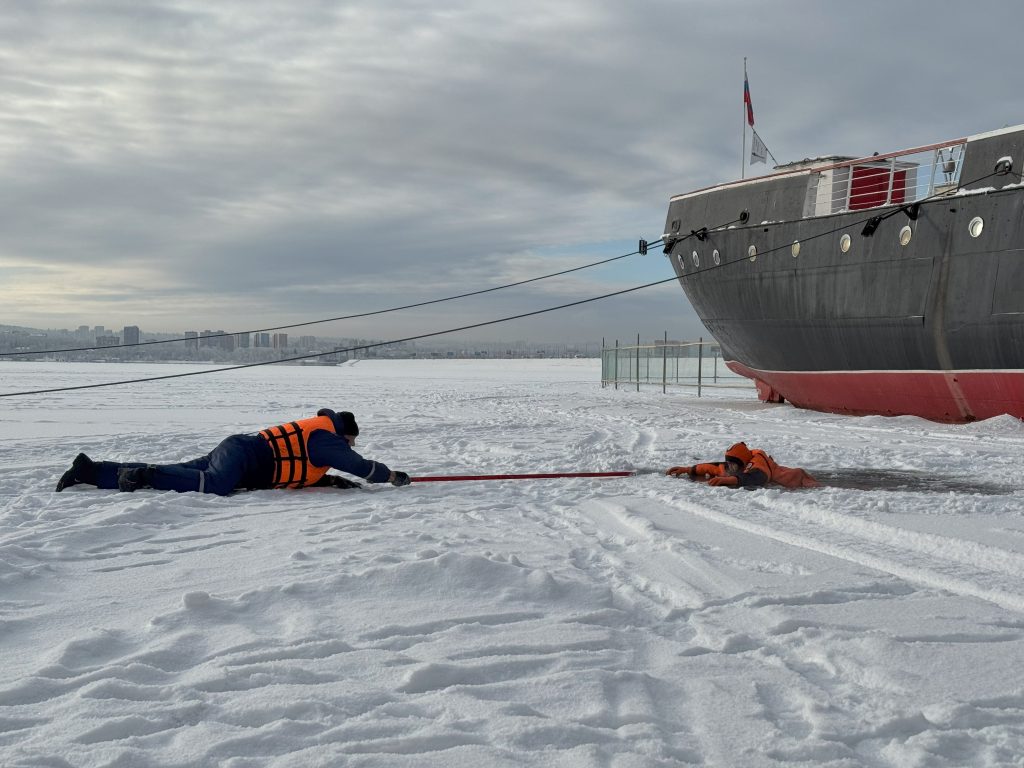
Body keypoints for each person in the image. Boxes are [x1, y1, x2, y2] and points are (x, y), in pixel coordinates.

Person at [55, 409, 411, 495]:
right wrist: (390, 476)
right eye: (351, 441)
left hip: (237, 450)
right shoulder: (327, 437)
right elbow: (357, 465)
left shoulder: (320, 439)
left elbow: (304, 468)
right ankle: (143, 475)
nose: (349, 447)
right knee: (214, 485)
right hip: (242, 456)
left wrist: (331, 482)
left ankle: (90, 471)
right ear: (345, 434)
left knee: (179, 471)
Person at [666, 441, 818, 488]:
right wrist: (689, 469)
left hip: (797, 479)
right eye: (729, 464)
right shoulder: (736, 464)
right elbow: (714, 467)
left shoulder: (757, 462)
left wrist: (731, 480)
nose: (730, 468)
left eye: (733, 465)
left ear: (742, 462)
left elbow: (758, 477)